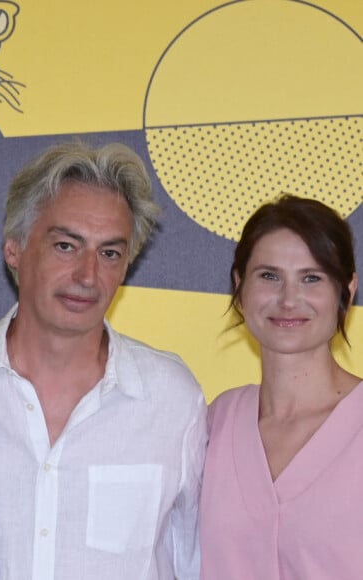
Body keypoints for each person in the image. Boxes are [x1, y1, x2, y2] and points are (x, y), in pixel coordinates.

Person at [0, 141, 207, 580]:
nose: (88, 276)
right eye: (66, 246)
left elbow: (194, 562)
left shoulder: (172, 398)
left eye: (109, 253)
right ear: (14, 248)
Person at [200, 194, 361, 579]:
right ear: (240, 286)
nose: (289, 299)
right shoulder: (214, 423)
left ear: (347, 291)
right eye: (269, 276)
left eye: (311, 278)